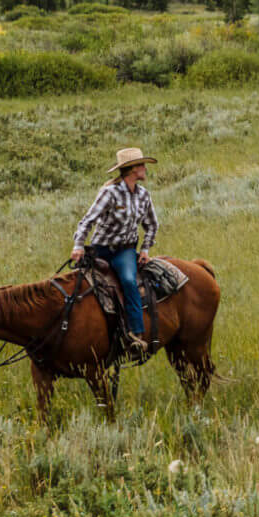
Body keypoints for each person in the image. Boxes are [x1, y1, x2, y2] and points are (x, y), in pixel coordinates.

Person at [71, 147, 159, 360]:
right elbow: (88, 220)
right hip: (100, 250)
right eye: (141, 165)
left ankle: (136, 334)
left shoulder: (143, 195)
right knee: (77, 286)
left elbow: (152, 225)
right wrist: (78, 245)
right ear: (131, 170)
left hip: (124, 251)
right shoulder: (109, 193)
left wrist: (145, 249)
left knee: (128, 281)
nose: (145, 169)